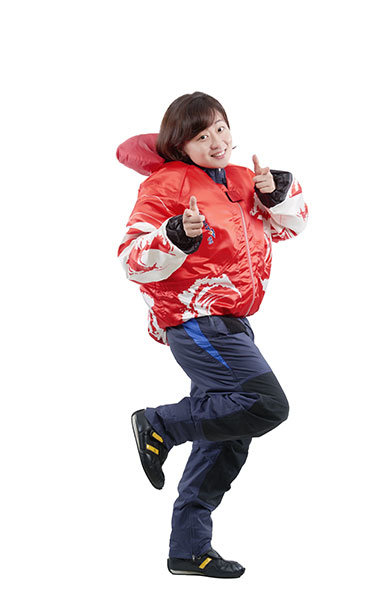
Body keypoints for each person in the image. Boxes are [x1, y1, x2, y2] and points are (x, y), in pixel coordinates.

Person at [117, 91, 308, 578]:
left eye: (221, 128)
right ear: (180, 145)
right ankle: (160, 425)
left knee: (230, 433)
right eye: (202, 136)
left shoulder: (243, 179)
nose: (217, 141)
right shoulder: (167, 184)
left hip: (235, 323)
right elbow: (131, 258)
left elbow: (289, 228)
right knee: (265, 404)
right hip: (195, 318)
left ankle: (188, 550)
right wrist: (175, 235)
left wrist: (277, 194)